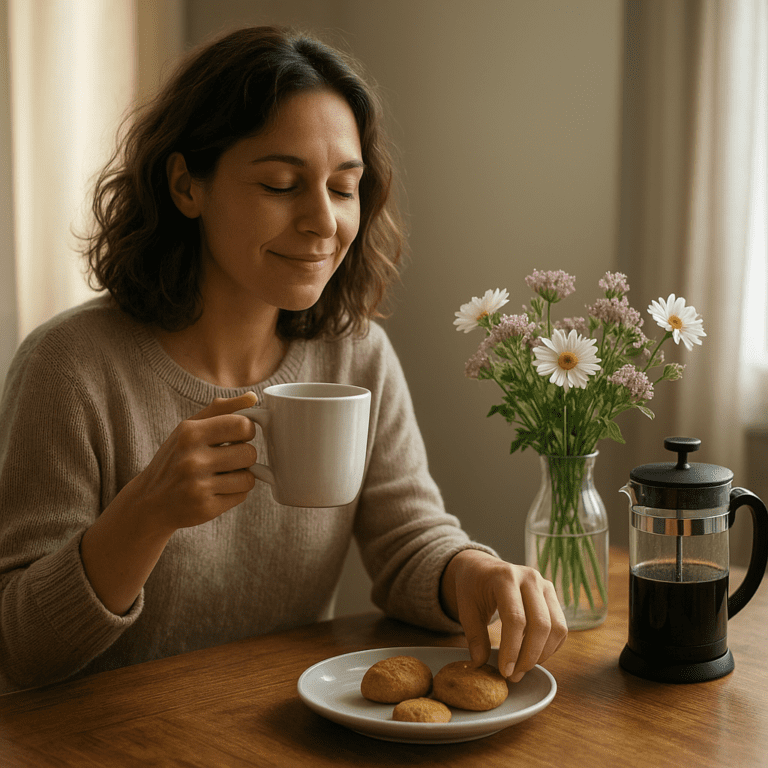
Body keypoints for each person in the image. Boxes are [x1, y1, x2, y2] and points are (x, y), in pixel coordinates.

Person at [0, 25, 566, 693]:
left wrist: (473, 572)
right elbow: (22, 647)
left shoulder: (356, 355)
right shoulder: (71, 368)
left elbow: (409, 541)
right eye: (279, 184)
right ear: (187, 186)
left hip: (279, 733)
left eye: (344, 187)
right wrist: (145, 514)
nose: (323, 221)